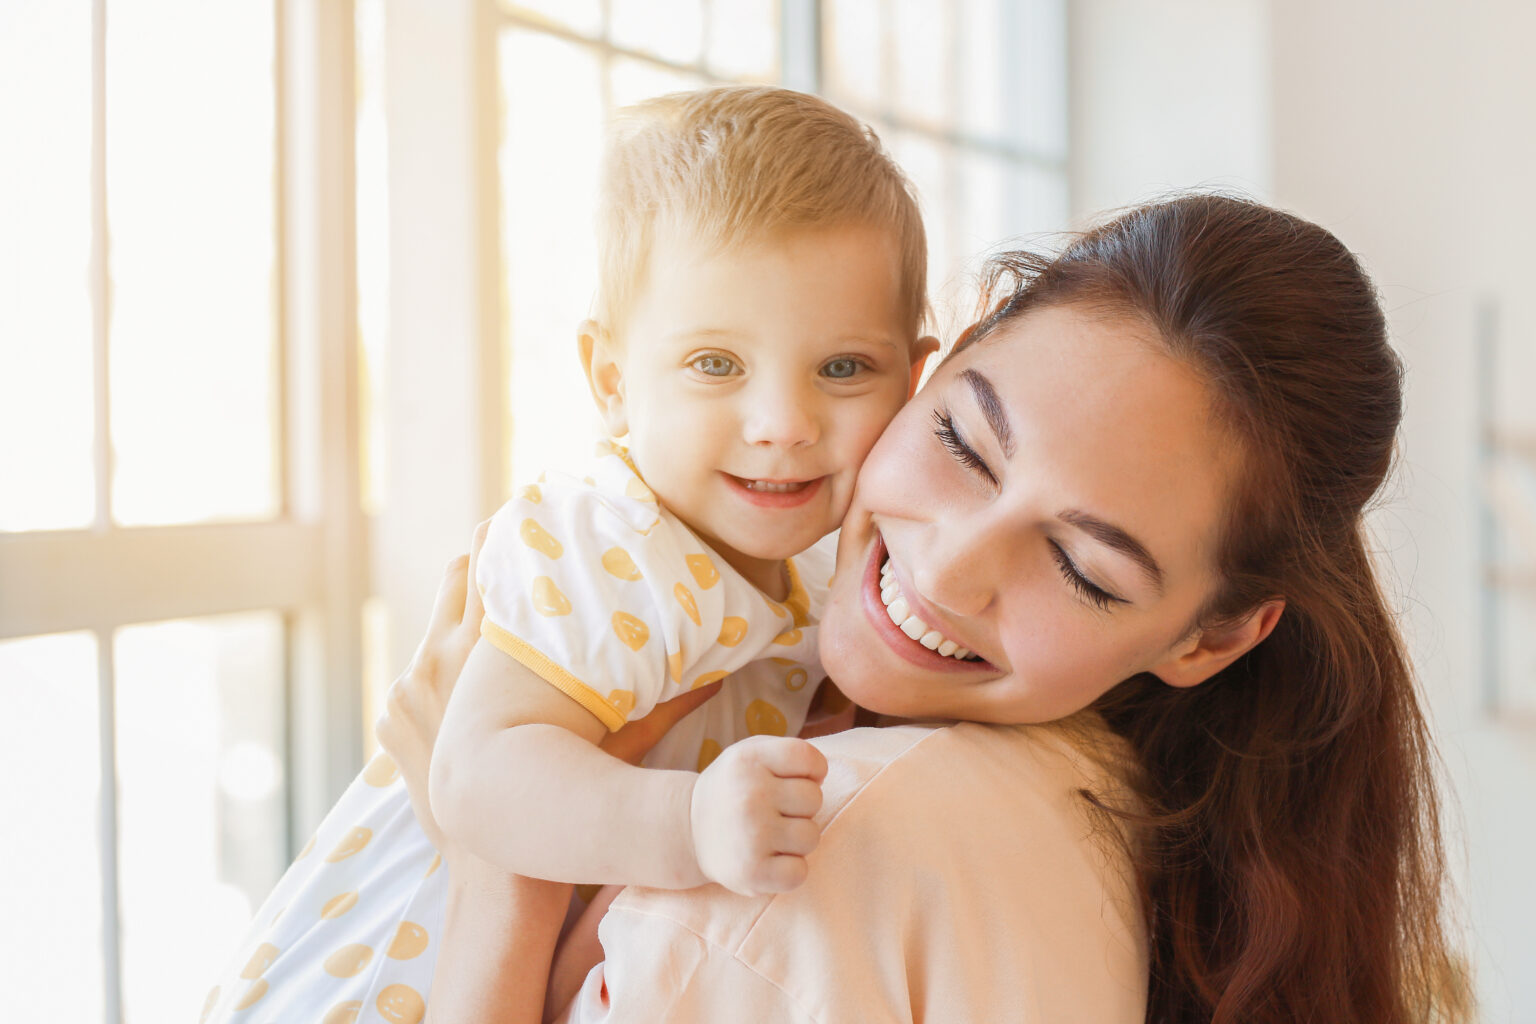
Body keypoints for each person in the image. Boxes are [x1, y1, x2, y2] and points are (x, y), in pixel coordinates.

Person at [383, 195, 1472, 1024]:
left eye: (1083, 565)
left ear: (1213, 636)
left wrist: (498, 859)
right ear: (937, 359)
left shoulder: (815, 856)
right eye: (961, 442)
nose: (949, 570)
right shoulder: (1147, 822)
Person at [198, 85, 938, 1024]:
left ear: (913, 381)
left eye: (842, 368)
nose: (783, 425)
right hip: (371, 979)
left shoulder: (803, 578)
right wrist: (689, 825)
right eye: (716, 365)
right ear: (613, 380)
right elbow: (473, 776)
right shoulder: (612, 538)